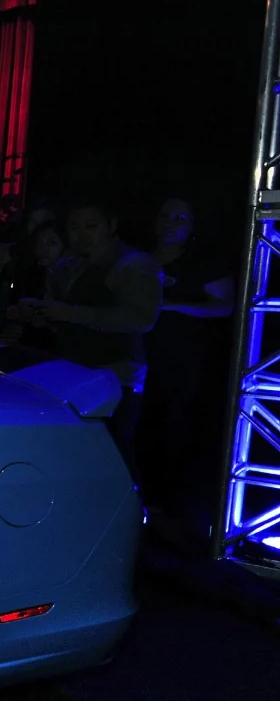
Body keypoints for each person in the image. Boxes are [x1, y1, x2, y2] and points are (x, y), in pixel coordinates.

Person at [10, 194, 162, 467]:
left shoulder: (133, 263)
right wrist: (37, 313)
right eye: (74, 227)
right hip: (77, 369)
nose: (81, 234)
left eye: (91, 226)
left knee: (112, 453)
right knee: (79, 454)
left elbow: (142, 318)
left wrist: (72, 313)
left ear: (110, 225)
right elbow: (66, 318)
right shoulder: (72, 264)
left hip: (117, 374)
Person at [138, 198, 234, 521]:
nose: (170, 222)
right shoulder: (137, 259)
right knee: (139, 424)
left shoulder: (202, 263)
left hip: (183, 359)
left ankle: (167, 505)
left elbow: (225, 306)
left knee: (173, 427)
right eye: (165, 215)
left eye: (180, 217)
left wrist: (172, 306)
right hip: (137, 356)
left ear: (191, 226)